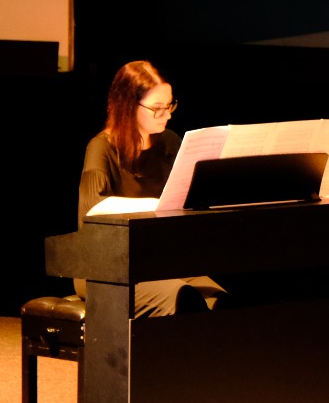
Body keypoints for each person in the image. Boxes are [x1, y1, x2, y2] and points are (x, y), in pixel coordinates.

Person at [77, 60, 222, 317]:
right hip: (106, 266)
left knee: (217, 299)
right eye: (157, 109)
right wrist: (156, 205)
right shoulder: (101, 148)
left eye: (169, 106)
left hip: (158, 260)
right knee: (182, 298)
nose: (167, 115)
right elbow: (92, 207)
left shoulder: (170, 142)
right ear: (127, 106)